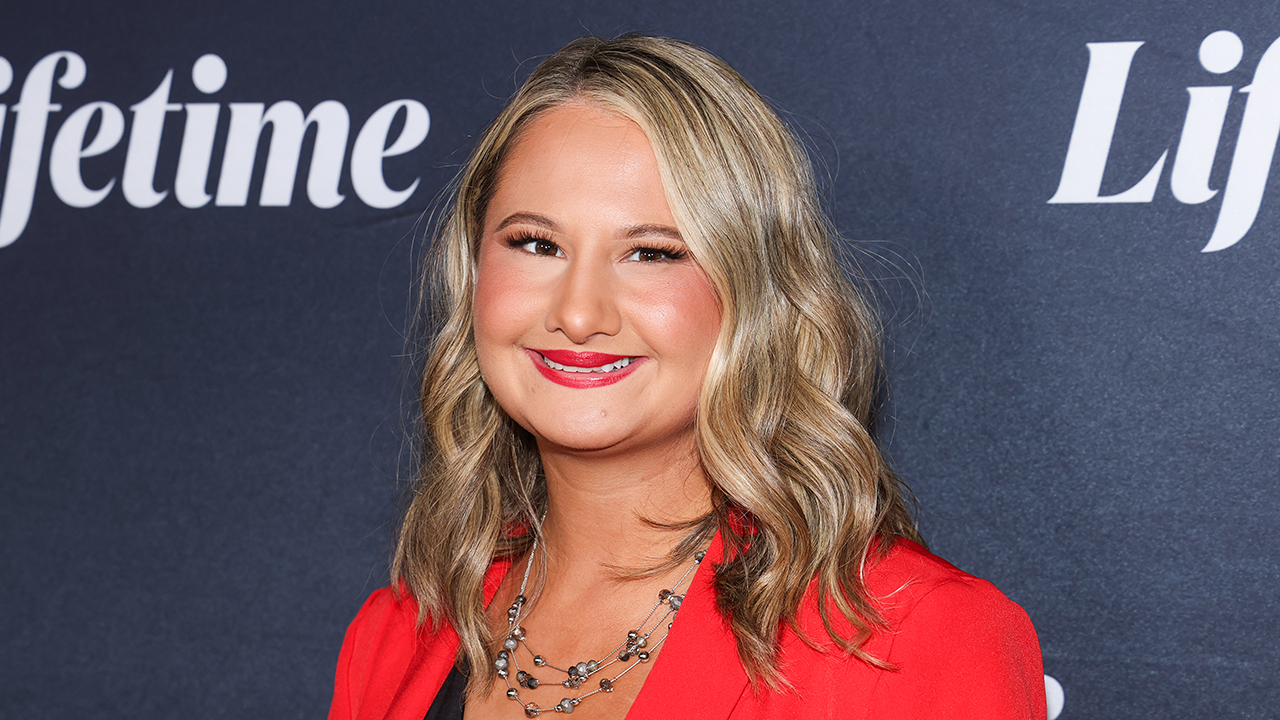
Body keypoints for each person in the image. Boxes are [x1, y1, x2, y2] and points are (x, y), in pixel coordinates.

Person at [328, 35, 1045, 720]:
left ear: (753, 295)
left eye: (652, 254)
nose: (578, 313)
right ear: (474, 273)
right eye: (536, 244)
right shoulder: (396, 635)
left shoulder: (914, 633)